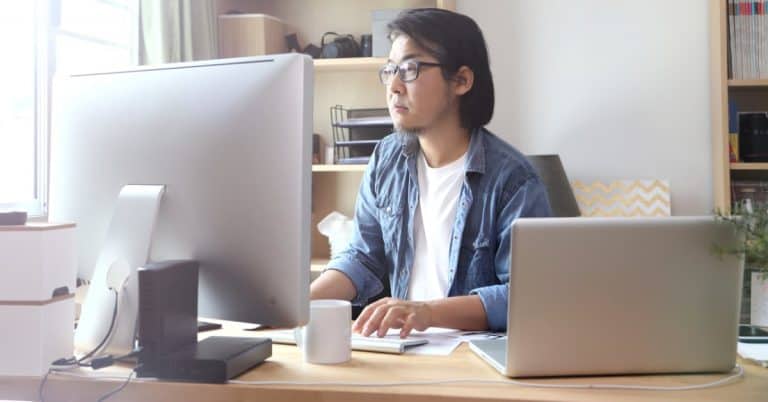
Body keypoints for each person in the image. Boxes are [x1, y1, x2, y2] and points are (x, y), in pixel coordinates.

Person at [310, 8, 552, 338]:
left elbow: (526, 298)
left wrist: (427, 312)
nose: (394, 86)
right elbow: (362, 259)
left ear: (462, 80)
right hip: (402, 349)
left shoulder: (514, 180)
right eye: (390, 69)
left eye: (410, 69)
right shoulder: (387, 158)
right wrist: (296, 306)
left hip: (475, 358)